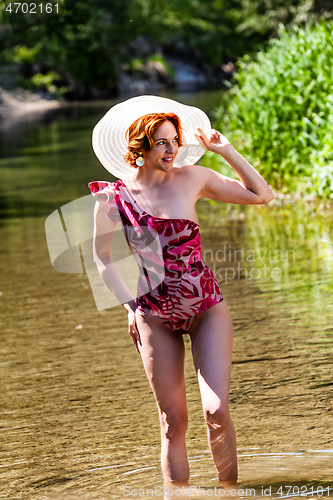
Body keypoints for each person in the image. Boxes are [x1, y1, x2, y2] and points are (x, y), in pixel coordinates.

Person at [88, 95, 274, 489]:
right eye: (162, 142)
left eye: (174, 140)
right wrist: (129, 308)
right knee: (173, 420)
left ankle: (230, 495)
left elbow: (262, 195)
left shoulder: (194, 177)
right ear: (139, 147)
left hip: (206, 307)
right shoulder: (112, 198)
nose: (172, 149)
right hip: (153, 316)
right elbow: (102, 259)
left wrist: (226, 151)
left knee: (216, 409)